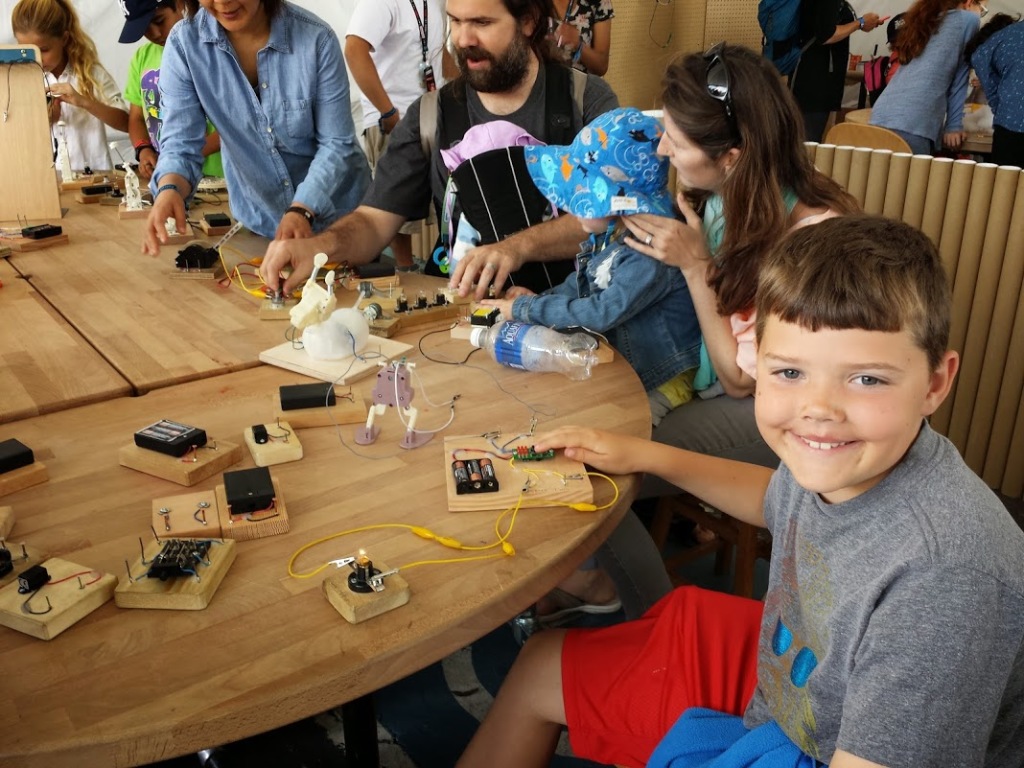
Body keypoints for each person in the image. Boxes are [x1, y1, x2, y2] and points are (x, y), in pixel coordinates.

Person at [457, 213, 1024, 768]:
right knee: (540, 667)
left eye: (867, 379)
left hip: (816, 739)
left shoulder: (945, 582)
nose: (818, 412)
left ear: (936, 383)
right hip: (795, 689)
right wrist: (641, 454)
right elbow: (777, 500)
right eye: (789, 373)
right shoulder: (841, 466)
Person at [259, 0, 618, 299]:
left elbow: (609, 218)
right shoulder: (431, 115)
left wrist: (514, 248)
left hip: (573, 323)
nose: (463, 39)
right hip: (464, 325)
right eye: (455, 21)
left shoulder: (585, 102)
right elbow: (372, 221)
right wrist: (320, 249)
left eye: (481, 22)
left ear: (528, 22)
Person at [628, 45, 856, 493]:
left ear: (732, 156)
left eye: (676, 139)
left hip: (784, 411)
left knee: (624, 459)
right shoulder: (727, 196)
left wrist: (696, 266)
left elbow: (737, 379)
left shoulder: (810, 242)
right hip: (717, 383)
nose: (662, 148)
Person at [480, 107, 701, 426]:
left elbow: (599, 313)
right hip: (627, 360)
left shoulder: (650, 251)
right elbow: (581, 284)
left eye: (582, 194)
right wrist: (533, 302)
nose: (568, 204)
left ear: (617, 200)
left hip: (663, 378)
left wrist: (525, 310)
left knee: (611, 431)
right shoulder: (614, 229)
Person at [141, 0, 370, 251]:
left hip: (339, 225)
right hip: (261, 225)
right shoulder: (185, 45)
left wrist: (302, 209)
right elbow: (180, 143)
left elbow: (337, 144)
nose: (222, 2)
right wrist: (170, 189)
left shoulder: (316, 39)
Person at [345, 0, 450, 271]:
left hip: (434, 113)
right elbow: (354, 50)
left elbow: (440, 55)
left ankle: (442, 267)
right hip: (395, 117)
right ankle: (405, 270)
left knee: (446, 198)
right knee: (396, 202)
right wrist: (388, 112)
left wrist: (469, 93)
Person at [12, 0, 129, 173]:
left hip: (94, 180)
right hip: (45, 181)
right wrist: (43, 121)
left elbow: (126, 124)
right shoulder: (19, 80)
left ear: (64, 39)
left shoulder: (92, 75)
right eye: (27, 50)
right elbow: (13, 140)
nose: (37, 58)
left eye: (43, 50)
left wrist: (84, 102)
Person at [118, 0, 223, 182]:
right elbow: (135, 118)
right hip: (173, 176)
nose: (155, 34)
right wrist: (143, 149)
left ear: (180, 4)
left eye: (159, 21)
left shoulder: (215, 49)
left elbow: (238, 122)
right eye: (143, 29)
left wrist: (180, 156)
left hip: (221, 177)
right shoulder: (142, 57)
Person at [870, 0, 984, 155]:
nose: (981, 14)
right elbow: (959, 79)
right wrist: (953, 126)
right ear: (969, 3)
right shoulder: (968, 20)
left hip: (882, 113)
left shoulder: (925, 19)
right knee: (913, 178)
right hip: (914, 119)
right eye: (982, 8)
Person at [791, 1, 882, 142]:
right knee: (807, 143)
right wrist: (860, 23)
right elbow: (826, 35)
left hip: (813, 77)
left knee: (807, 139)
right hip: (814, 80)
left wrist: (860, 24)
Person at [968, 14, 1024, 167]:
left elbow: (979, 57)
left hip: (1011, 125)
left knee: (1004, 186)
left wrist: (997, 103)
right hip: (1012, 122)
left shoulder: (1006, 36)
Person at [547, 0, 613, 76]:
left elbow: (601, 66)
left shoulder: (599, 2)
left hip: (579, 84)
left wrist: (578, 44)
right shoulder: (534, 3)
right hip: (539, 82)